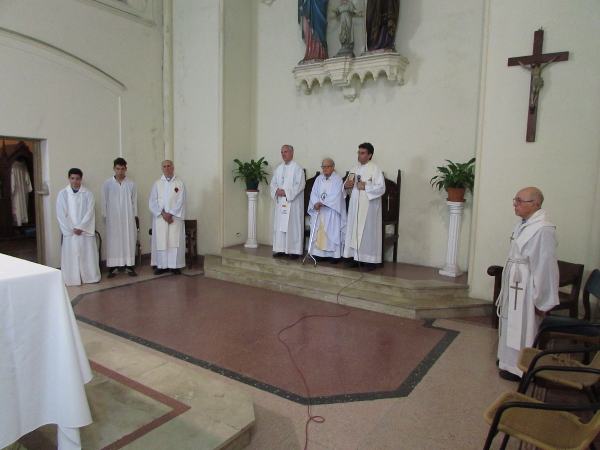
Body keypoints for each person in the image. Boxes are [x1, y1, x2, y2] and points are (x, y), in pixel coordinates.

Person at [496, 187, 559, 381]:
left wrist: (543, 300)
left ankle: (521, 367)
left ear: (535, 204)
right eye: (515, 200)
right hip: (516, 281)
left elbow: (545, 266)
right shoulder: (523, 224)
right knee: (510, 321)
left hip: (527, 286)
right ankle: (507, 361)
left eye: (519, 200)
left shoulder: (543, 229)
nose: (515, 204)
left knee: (524, 325)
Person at [343, 142, 385, 270]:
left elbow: (381, 188)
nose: (359, 155)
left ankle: (369, 261)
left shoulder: (375, 169)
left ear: (370, 155)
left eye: (362, 153)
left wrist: (366, 186)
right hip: (355, 205)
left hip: (369, 208)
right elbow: (347, 188)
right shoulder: (354, 169)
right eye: (359, 152)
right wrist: (346, 186)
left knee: (367, 233)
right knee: (353, 230)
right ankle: (355, 258)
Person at [56, 168, 101, 286]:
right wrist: (70, 229)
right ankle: (71, 279)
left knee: (87, 255)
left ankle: (90, 277)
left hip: (84, 231)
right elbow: (61, 214)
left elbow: (90, 212)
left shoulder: (88, 194)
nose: (75, 181)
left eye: (77, 179)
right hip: (70, 232)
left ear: (81, 179)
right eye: (72, 178)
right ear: (69, 178)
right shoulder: (63, 194)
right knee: (71, 256)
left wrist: (81, 227)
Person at [102, 157, 138, 278]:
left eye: (122, 169)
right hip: (113, 218)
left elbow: (134, 202)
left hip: (128, 218)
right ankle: (113, 267)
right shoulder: (107, 184)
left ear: (126, 169)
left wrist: (134, 216)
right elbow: (104, 201)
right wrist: (106, 216)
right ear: (114, 168)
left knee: (128, 240)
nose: (120, 171)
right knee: (114, 242)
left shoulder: (131, 184)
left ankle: (129, 265)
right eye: (118, 169)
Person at [149, 160, 186, 275]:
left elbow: (181, 201)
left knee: (174, 241)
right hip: (161, 218)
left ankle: (174, 266)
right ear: (162, 168)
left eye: (169, 166)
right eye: (164, 166)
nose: (166, 168)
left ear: (173, 167)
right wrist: (163, 214)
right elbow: (152, 201)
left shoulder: (179, 183)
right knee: (161, 241)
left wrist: (171, 214)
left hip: (174, 218)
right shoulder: (157, 183)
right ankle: (162, 266)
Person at [307, 158, 346, 262]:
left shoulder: (337, 179)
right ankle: (318, 254)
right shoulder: (318, 179)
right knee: (318, 231)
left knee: (332, 231)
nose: (325, 169)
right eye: (323, 167)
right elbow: (313, 193)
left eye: (327, 167)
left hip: (332, 210)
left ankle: (333, 256)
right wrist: (316, 202)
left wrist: (324, 203)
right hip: (319, 210)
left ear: (333, 167)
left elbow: (337, 195)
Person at [270, 145, 305, 259]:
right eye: (282, 152)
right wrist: (276, 190)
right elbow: (273, 183)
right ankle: (280, 249)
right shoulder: (279, 168)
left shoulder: (297, 168)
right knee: (280, 225)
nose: (283, 154)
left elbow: (300, 185)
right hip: (281, 203)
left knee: (292, 227)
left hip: (292, 204)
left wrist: (285, 192)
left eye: (285, 152)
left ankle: (293, 251)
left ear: (292, 153)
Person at [11, 158, 33, 226]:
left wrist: (11, 192)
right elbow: (28, 181)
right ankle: (22, 222)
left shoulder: (13, 166)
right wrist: (29, 189)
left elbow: (12, 184)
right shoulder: (24, 166)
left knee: (17, 208)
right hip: (24, 192)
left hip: (16, 193)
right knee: (23, 207)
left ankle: (18, 223)